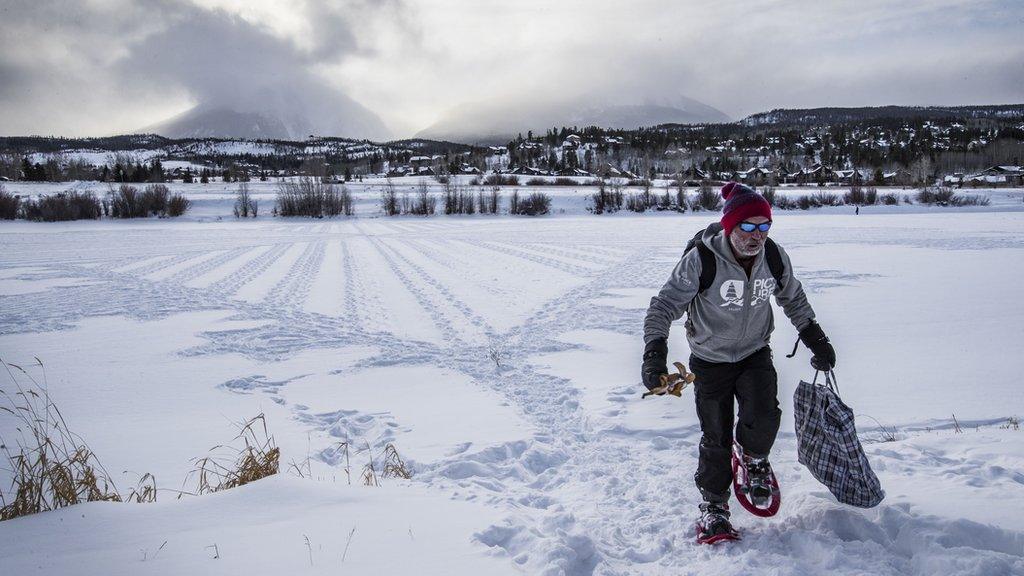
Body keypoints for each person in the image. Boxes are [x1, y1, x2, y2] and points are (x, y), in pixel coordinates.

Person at [641, 182, 836, 540]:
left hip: (754, 352)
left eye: (764, 227)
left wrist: (814, 336)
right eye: (748, 226)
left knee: (764, 415)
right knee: (715, 435)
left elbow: (792, 297)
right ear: (730, 226)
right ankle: (714, 507)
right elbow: (664, 305)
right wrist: (655, 353)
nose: (757, 236)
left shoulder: (773, 257)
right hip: (709, 359)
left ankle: (754, 460)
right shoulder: (702, 260)